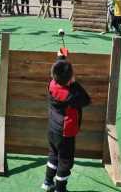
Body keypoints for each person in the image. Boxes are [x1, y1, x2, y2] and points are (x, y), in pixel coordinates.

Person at [42, 59, 90, 192]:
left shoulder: (51, 84)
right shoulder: (70, 94)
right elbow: (86, 100)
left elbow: (59, 75)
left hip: (52, 129)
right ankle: (60, 189)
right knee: (65, 161)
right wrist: (74, 83)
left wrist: (61, 60)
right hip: (65, 132)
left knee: (53, 155)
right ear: (69, 80)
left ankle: (48, 182)